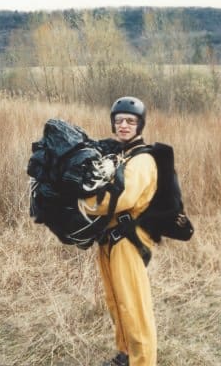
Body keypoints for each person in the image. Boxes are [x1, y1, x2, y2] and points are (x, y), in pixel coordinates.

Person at [82, 96, 158, 366]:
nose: (123, 125)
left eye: (130, 121)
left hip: (128, 240)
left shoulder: (143, 160)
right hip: (109, 239)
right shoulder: (118, 156)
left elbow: (123, 196)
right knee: (116, 301)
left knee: (134, 306)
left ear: (140, 125)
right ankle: (126, 354)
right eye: (119, 121)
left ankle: (142, 362)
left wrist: (85, 202)